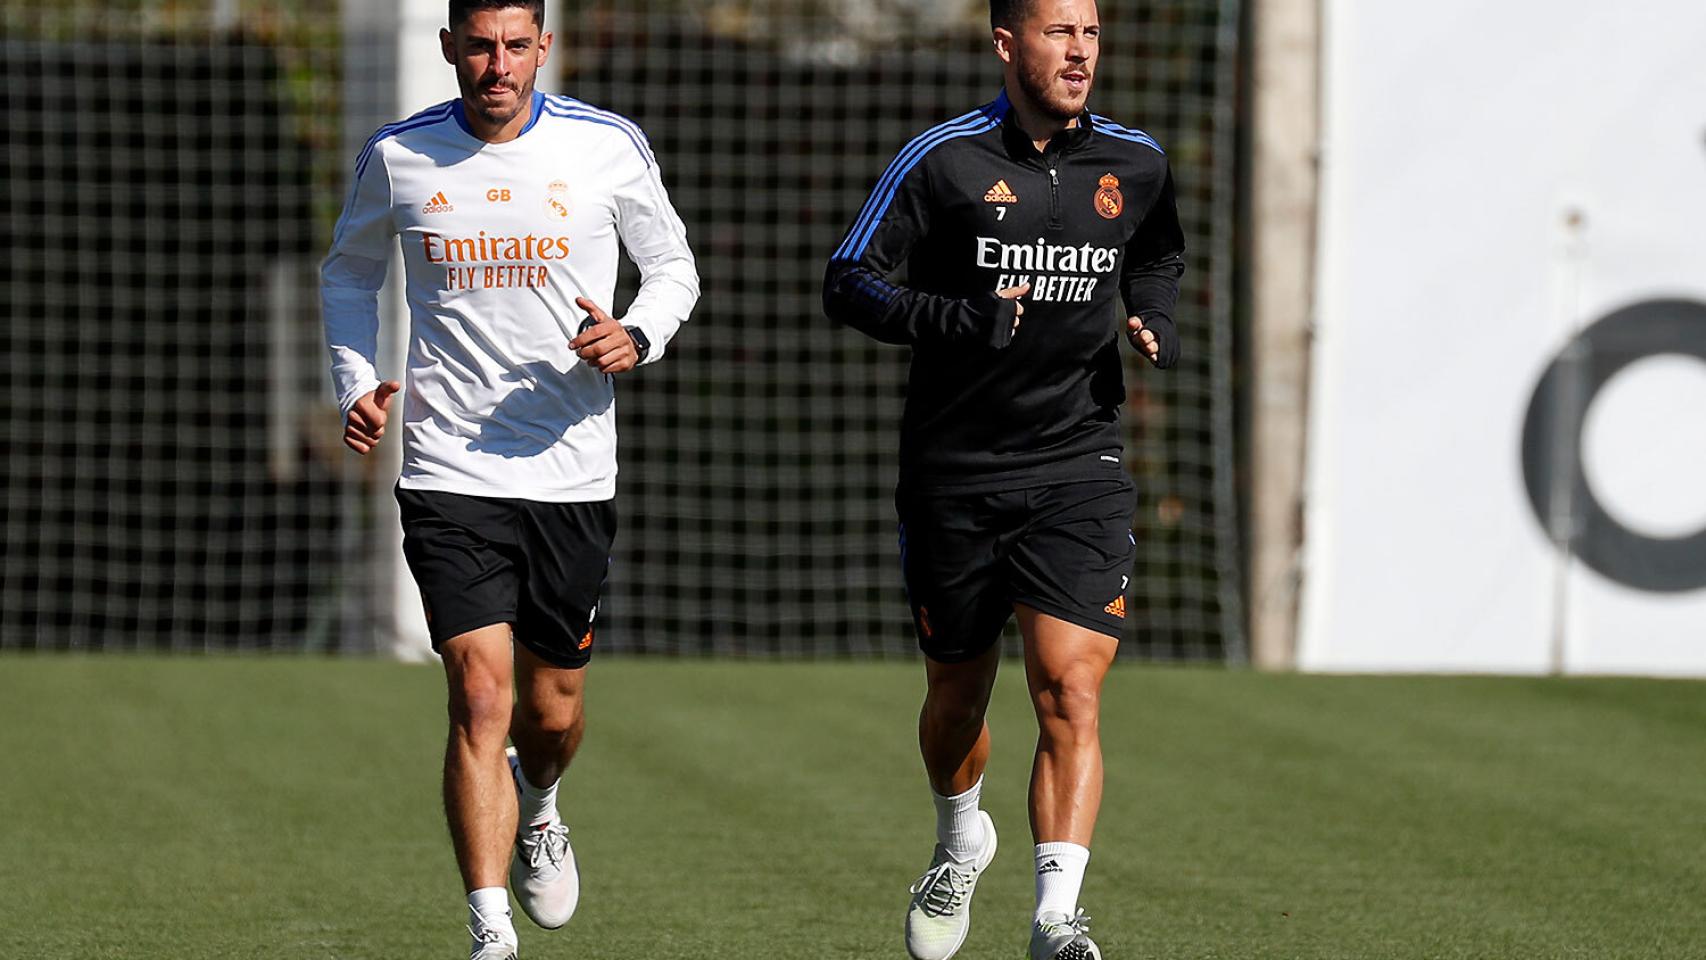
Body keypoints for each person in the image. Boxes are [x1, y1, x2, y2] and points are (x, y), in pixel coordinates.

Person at [319, 1, 699, 956]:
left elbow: (672, 269)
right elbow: (348, 274)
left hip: (572, 474)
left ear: (544, 48)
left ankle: (543, 801)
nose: (498, 65)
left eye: (516, 46)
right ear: (450, 47)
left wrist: (637, 333)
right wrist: (356, 385)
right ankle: (491, 932)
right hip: (447, 466)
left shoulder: (606, 146)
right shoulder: (398, 157)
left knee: (551, 709)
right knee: (481, 696)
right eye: (480, 46)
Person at [822, 0, 1183, 957]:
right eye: (1060, 31)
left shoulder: (1135, 162)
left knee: (1069, 686)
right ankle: (957, 838)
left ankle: (1055, 921)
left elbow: (1157, 253)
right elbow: (849, 280)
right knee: (958, 699)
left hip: (1080, 461)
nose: (1080, 51)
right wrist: (959, 320)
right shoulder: (942, 160)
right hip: (956, 473)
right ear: (1007, 43)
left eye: (1092, 33)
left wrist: (1152, 315)